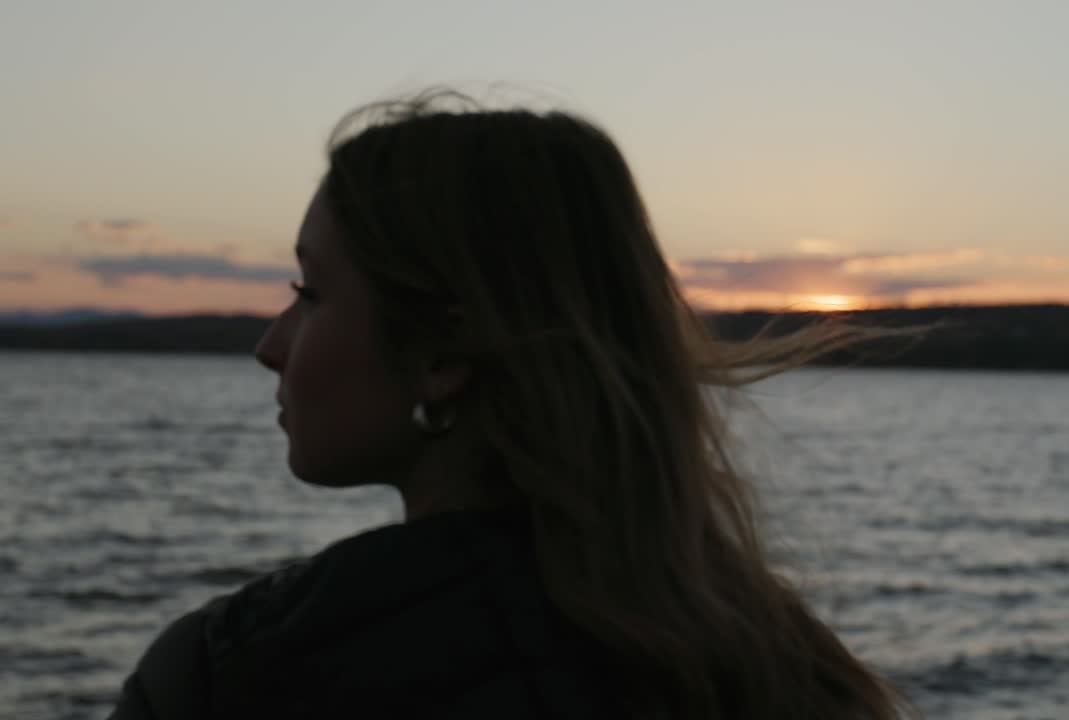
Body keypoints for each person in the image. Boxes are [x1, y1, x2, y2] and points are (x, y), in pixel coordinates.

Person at [107, 89, 915, 720]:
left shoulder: (241, 677)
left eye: (310, 294)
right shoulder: (780, 667)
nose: (271, 345)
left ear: (443, 357)